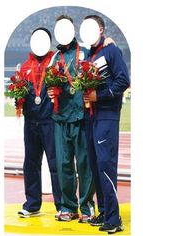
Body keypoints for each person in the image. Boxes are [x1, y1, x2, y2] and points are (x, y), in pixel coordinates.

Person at [82, 15, 130, 234]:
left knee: (105, 166)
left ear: (100, 29)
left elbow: (123, 80)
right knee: (95, 166)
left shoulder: (111, 50)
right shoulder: (90, 56)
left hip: (107, 116)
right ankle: (104, 211)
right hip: (91, 118)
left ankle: (114, 218)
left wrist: (98, 96)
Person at [47, 15, 96, 223]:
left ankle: (86, 207)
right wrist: (50, 91)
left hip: (82, 116)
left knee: (85, 164)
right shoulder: (54, 57)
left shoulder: (84, 52)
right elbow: (49, 83)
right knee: (64, 164)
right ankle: (68, 206)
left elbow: (95, 73)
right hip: (60, 117)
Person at [17, 28, 62, 218]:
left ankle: (63, 205)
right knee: (31, 163)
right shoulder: (25, 66)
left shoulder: (56, 63)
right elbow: (21, 93)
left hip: (50, 120)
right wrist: (17, 97)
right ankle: (33, 203)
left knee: (56, 163)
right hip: (31, 122)